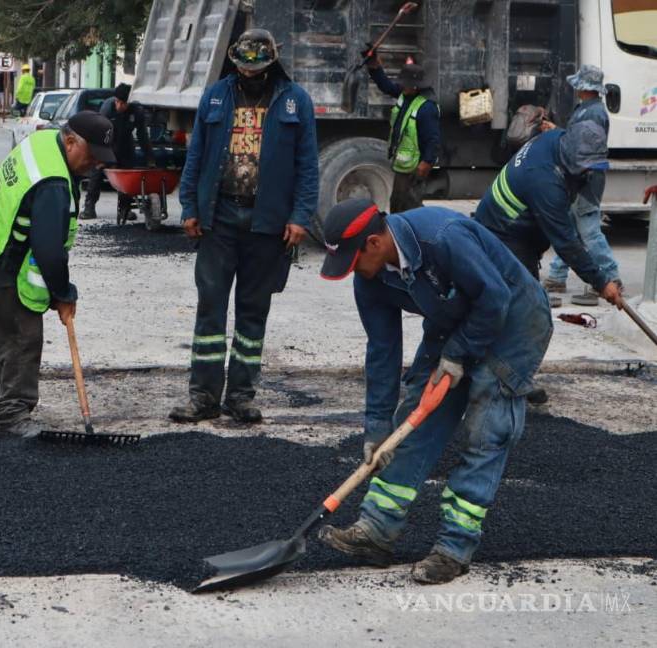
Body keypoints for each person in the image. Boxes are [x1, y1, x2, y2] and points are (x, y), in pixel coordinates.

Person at [316, 198, 553, 584]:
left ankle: (453, 549)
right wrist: (377, 428)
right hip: (455, 322)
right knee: (412, 419)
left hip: (515, 323)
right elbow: (381, 350)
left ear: (374, 243)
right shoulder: (371, 279)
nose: (352, 272)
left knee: (486, 429)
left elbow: (495, 297)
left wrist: (458, 355)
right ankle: (376, 531)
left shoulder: (442, 237)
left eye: (352, 260)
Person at [169, 28, 318, 424]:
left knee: (254, 312)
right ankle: (203, 396)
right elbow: (196, 154)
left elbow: (307, 166)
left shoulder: (295, 101)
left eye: (257, 68)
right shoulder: (216, 95)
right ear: (234, 62)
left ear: (272, 61)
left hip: (267, 224)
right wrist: (189, 207)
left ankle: (240, 396)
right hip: (219, 219)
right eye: (243, 67)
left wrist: (301, 216)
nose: (249, 74)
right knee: (210, 309)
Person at [0, 112, 115, 438]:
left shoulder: (44, 141)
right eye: (93, 156)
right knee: (21, 338)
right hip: (1, 264)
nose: (97, 164)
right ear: (71, 142)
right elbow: (48, 251)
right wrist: (63, 294)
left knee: (0, 337)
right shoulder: (53, 183)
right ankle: (12, 417)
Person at [473, 121, 621, 307]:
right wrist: (602, 282)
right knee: (526, 306)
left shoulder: (556, 139)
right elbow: (565, 242)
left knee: (527, 303)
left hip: (513, 227)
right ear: (571, 156)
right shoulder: (545, 183)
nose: (589, 171)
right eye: (586, 165)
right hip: (503, 234)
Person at [541, 65, 620, 306]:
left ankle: (610, 277)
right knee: (572, 228)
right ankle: (556, 275)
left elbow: (582, 151)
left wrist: (557, 134)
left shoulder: (592, 113)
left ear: (584, 88)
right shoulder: (589, 110)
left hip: (586, 179)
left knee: (588, 230)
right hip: (584, 176)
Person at [365, 50, 441, 213]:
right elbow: (386, 86)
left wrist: (426, 162)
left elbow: (433, 139)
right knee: (398, 203)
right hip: (404, 165)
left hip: (415, 166)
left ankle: (412, 236)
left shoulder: (427, 108)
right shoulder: (405, 95)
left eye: (405, 83)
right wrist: (375, 67)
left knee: (410, 206)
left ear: (416, 86)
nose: (401, 86)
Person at [79, 82, 155, 221]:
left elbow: (143, 136)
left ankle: (124, 209)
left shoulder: (136, 111)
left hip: (126, 144)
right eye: (118, 102)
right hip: (107, 143)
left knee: (126, 176)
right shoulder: (107, 109)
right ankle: (89, 207)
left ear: (129, 102)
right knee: (97, 172)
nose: (120, 106)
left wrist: (150, 158)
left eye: (123, 103)